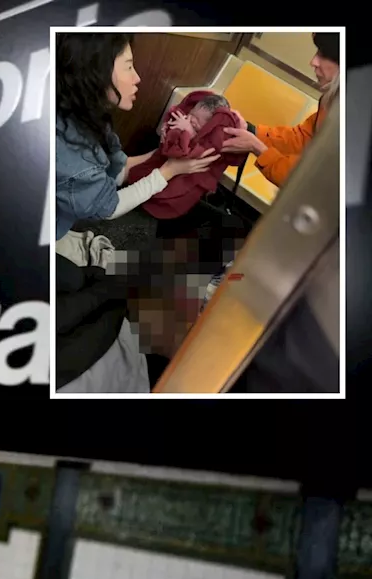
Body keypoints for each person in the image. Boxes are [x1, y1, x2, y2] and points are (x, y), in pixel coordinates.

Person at [54, 33, 219, 393]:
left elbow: (121, 169)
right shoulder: (65, 150)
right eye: (129, 66)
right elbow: (107, 206)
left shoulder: (90, 119)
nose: (138, 77)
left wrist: (168, 157)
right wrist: (170, 171)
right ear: (95, 74)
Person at [220, 31, 340, 187]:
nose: (313, 62)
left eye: (323, 54)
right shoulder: (332, 101)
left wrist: (257, 147)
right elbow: (304, 138)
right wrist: (252, 131)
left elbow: (312, 181)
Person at [126, 92, 249, 220]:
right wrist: (169, 129)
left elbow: (196, 150)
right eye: (190, 116)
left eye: (195, 126)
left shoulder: (214, 142)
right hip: (162, 168)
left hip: (183, 183)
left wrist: (187, 133)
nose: (189, 122)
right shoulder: (188, 117)